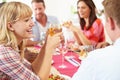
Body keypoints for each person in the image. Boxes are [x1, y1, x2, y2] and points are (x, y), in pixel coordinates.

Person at [0, 2, 62, 80]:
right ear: (10, 26)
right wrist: (50, 49)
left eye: (31, 19)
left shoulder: (14, 47)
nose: (32, 23)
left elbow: (32, 70)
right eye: (26, 20)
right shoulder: (5, 53)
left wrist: (46, 44)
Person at [71, 0, 120, 79]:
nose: (80, 10)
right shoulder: (84, 23)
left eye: (83, 7)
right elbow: (80, 43)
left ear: (111, 23)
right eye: (78, 8)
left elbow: (90, 45)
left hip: (92, 55)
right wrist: (73, 30)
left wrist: (77, 31)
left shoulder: (97, 22)